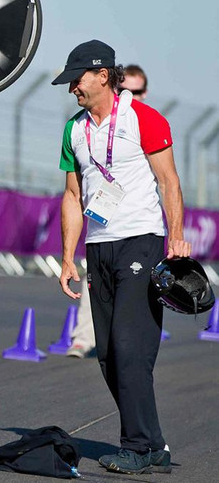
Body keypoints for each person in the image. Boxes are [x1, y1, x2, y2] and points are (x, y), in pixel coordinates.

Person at [54, 40, 190, 475]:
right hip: (99, 247)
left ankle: (134, 446)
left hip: (141, 241)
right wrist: (67, 256)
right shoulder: (74, 130)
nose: (71, 87)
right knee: (109, 354)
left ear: (102, 75)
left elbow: (168, 182)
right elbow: (73, 195)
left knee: (131, 348)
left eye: (77, 78)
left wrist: (177, 237)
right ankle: (153, 445)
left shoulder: (143, 118)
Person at [66, 63, 150, 359]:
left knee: (132, 299)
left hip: (137, 231)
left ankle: (127, 343)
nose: (130, 95)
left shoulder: (142, 124)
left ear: (145, 92)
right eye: (126, 89)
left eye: (136, 91)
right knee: (95, 291)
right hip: (101, 229)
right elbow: (75, 188)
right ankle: (83, 337)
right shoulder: (85, 128)